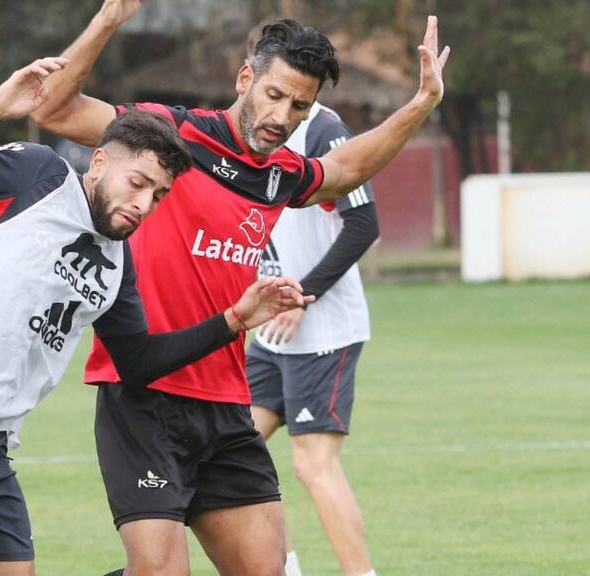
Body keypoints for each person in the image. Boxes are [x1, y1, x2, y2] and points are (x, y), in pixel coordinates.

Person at [32, 2, 449, 574]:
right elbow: (54, 109)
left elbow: (347, 170)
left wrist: (422, 102)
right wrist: (107, 19)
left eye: (299, 106)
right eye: (274, 95)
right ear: (246, 78)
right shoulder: (173, 135)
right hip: (144, 400)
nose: (282, 115)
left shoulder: (279, 176)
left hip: (227, 408)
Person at [0, 56, 311, 576]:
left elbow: (139, 361)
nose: (144, 204)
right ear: (99, 164)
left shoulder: (117, 261)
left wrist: (234, 318)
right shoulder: (38, 175)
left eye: (159, 195)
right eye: (137, 183)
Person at [243, 21, 380, 576]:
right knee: (233, 448)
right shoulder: (246, 132)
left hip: (324, 332)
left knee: (313, 464)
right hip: (269, 332)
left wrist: (305, 297)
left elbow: (364, 223)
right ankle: (286, 567)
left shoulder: (323, 132)